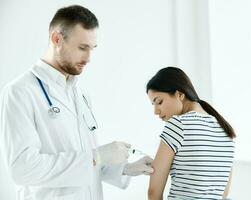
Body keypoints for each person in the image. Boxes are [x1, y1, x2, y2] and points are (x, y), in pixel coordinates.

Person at [0, 5, 153, 200]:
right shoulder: (20, 92)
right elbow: (23, 169)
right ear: (57, 39)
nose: (89, 58)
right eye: (82, 48)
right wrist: (96, 156)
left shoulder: (79, 93)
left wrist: (125, 169)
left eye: (92, 48)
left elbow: (84, 163)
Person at [146, 67, 235, 200]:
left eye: (159, 102)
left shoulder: (177, 125)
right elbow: (224, 192)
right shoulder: (225, 129)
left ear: (179, 95)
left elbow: (154, 192)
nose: (156, 111)